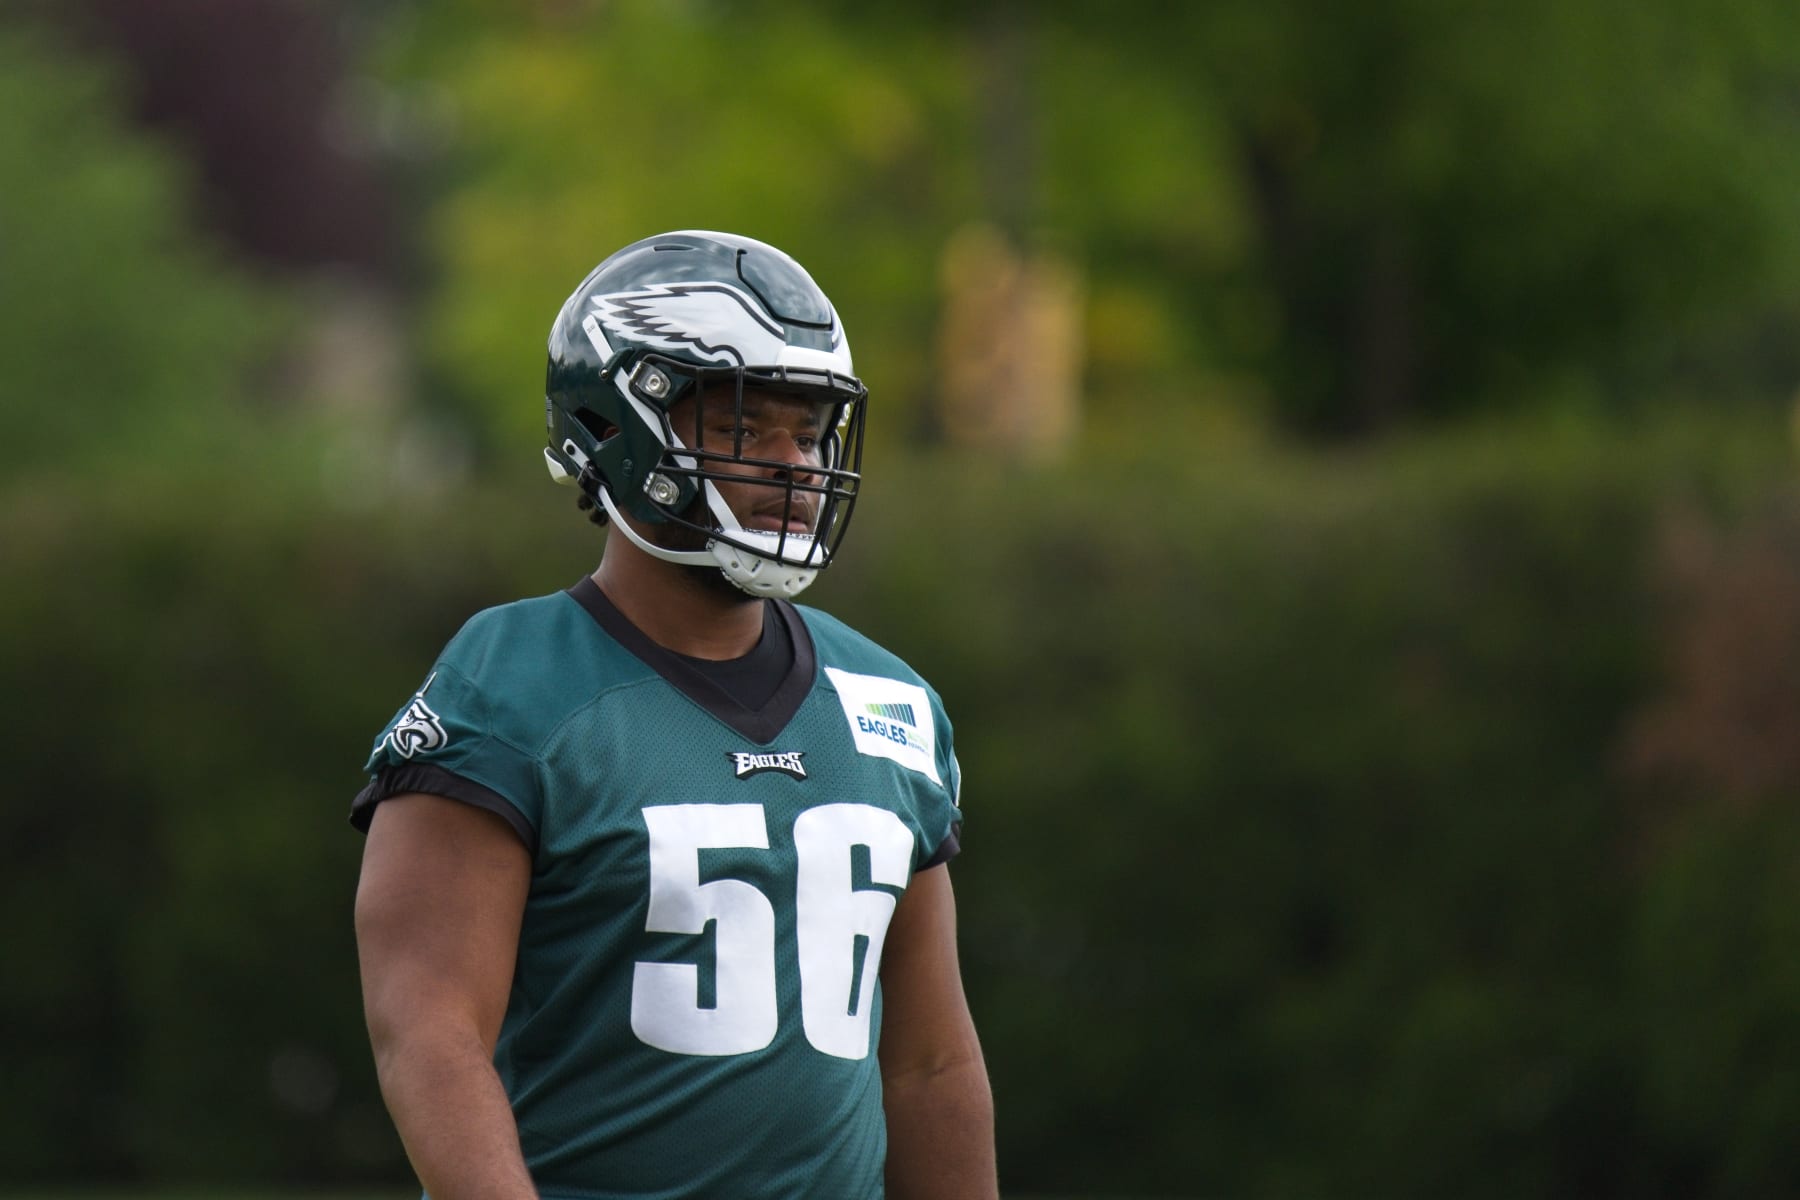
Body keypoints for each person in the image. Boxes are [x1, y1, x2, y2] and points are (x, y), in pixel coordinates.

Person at [351, 230, 997, 1200]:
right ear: (617, 429)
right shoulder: (511, 684)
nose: (795, 465)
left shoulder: (889, 702)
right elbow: (431, 1037)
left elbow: (929, 1064)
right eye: (746, 429)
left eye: (812, 432)